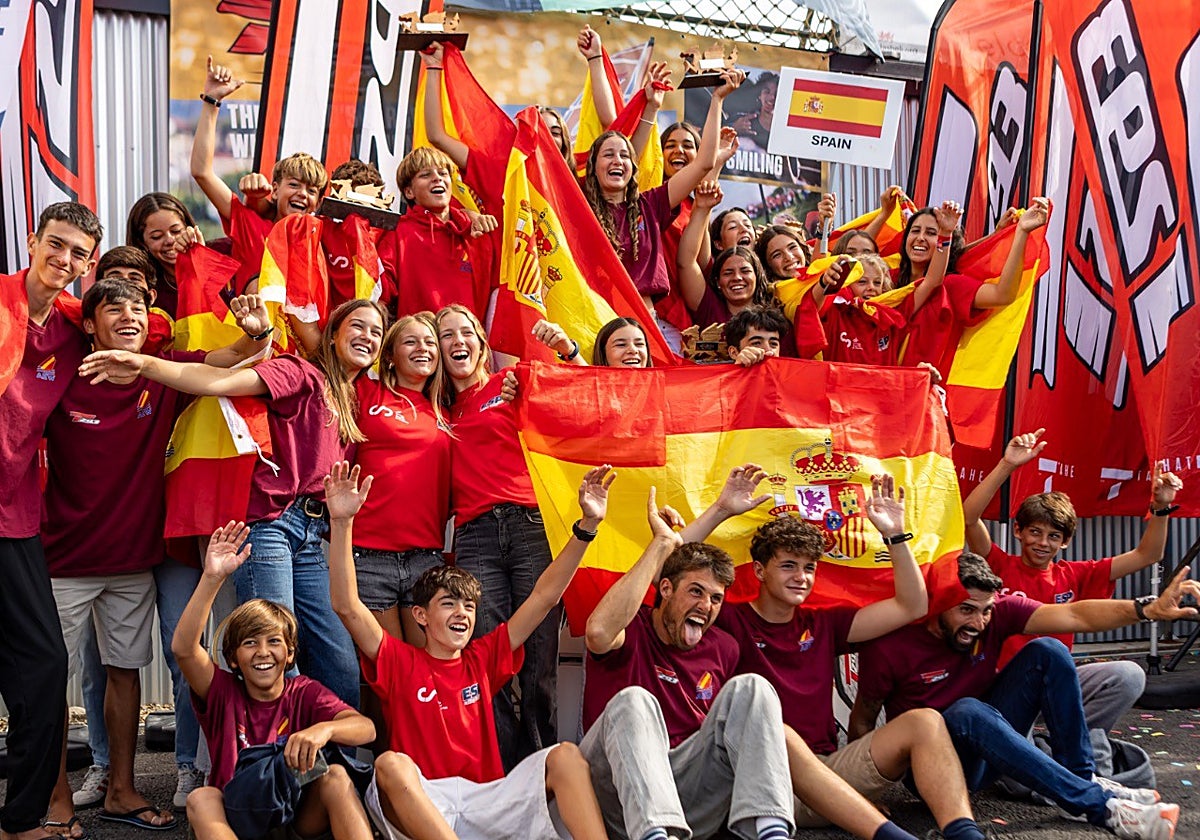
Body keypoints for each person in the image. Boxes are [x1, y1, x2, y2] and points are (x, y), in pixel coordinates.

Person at [78, 298, 391, 709]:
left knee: (338, 659)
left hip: (314, 536)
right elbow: (217, 381)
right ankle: (282, 763)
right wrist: (146, 365)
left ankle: (339, 762)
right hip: (271, 527)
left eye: (376, 332)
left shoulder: (351, 399)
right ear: (333, 335)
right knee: (275, 654)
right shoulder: (299, 371)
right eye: (357, 326)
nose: (366, 337)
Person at [42, 278, 271, 832]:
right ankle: (54, 801)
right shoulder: (60, 376)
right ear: (89, 324)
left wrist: (253, 330)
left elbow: (229, 358)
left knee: (125, 673)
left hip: (130, 561)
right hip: (61, 561)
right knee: (45, 681)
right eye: (113, 307)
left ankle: (122, 789)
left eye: (139, 307)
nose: (129, 315)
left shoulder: (162, 370)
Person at [581, 486, 924, 840]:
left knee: (754, 686)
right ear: (664, 590)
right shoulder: (634, 628)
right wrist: (666, 543)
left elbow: (912, 608)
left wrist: (895, 535)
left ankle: (772, 833)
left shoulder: (724, 644)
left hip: (693, 792)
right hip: (619, 796)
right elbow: (600, 630)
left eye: (715, 597)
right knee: (633, 700)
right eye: (696, 592)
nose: (706, 605)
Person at [325, 461, 613, 840]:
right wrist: (343, 523)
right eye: (448, 604)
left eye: (469, 607)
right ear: (420, 616)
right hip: (424, 801)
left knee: (565, 756)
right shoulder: (398, 659)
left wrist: (586, 527)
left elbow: (544, 596)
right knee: (390, 764)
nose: (462, 613)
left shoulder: (483, 657)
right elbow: (347, 605)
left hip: (487, 801)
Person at [694, 473, 989, 840]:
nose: (801, 577)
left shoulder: (824, 623)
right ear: (759, 571)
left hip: (829, 773)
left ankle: (965, 834)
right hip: (765, 782)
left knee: (925, 722)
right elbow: (666, 577)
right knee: (779, 732)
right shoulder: (729, 618)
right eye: (788, 565)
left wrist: (894, 535)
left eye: (809, 568)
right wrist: (721, 510)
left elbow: (912, 606)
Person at [850, 552, 1195, 839]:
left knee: (1048, 651)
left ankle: (1080, 778)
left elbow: (1074, 614)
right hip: (935, 770)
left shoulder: (996, 614)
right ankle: (1099, 806)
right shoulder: (890, 645)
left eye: (985, 610)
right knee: (965, 711)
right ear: (939, 603)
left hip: (987, 740)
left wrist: (1144, 609)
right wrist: (861, 794)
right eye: (966, 610)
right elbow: (863, 717)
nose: (979, 622)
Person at [962, 429, 1183, 730]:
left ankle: (1066, 743)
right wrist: (1008, 465)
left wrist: (1160, 509)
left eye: (1053, 536)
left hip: (1057, 686)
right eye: (1035, 532)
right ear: (1018, 531)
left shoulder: (1076, 573)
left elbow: (1148, 554)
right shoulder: (998, 564)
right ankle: (1044, 753)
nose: (1042, 543)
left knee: (1129, 675)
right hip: (1006, 690)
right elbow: (969, 518)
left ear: (1064, 542)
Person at [173, 521, 376, 840]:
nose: (263, 653)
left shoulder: (304, 691)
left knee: (335, 776)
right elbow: (184, 649)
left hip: (295, 819)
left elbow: (366, 728)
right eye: (250, 643)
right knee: (201, 798)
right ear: (233, 657)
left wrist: (324, 729)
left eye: (274, 642)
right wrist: (212, 578)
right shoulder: (222, 692)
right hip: (238, 819)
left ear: (291, 653)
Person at [0, 202, 99, 840]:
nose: (63, 261)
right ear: (33, 240)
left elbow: (149, 333)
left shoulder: (70, 327)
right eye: (55, 245)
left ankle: (19, 818)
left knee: (41, 663)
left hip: (15, 518)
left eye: (77, 255)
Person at [431, 304, 561, 768]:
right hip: (474, 536)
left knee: (539, 661)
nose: (456, 341)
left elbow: (578, 392)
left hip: (529, 527)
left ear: (482, 344)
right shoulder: (438, 408)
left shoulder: (513, 381)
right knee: (489, 660)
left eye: (465, 331)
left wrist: (564, 346)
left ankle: (544, 772)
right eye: (445, 336)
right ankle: (503, 773)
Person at [579, 68, 743, 315]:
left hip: (643, 325)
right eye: (608, 155)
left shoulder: (650, 204)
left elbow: (703, 164)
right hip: (592, 317)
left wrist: (717, 100)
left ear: (632, 167)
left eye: (624, 155)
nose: (617, 160)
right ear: (593, 166)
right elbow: (607, 117)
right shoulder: (579, 205)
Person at [190, 56, 329, 293]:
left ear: (318, 203)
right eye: (294, 185)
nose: (303, 194)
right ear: (274, 190)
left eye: (312, 190)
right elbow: (202, 172)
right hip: (255, 329)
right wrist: (212, 101)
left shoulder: (322, 236)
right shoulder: (250, 225)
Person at [352, 312, 450, 644]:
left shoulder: (444, 412)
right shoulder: (364, 391)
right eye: (411, 341)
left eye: (430, 342)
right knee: (383, 676)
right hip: (368, 555)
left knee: (425, 669)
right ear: (390, 356)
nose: (423, 348)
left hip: (427, 557)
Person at [890, 197, 1049, 373]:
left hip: (924, 393)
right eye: (915, 231)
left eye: (931, 233)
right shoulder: (887, 279)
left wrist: (1021, 233)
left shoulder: (950, 285)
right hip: (878, 390)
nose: (920, 238)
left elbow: (1003, 294)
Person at [377, 147, 497, 322]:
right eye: (425, 175)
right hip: (422, 345)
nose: (437, 178)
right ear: (409, 192)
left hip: (467, 345)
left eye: (443, 173)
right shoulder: (398, 233)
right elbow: (380, 293)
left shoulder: (477, 232)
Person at [124, 192, 201, 319]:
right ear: (142, 243)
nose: (170, 240)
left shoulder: (222, 253)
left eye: (176, 231)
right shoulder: (147, 289)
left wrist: (201, 260)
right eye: (157, 236)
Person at [821, 253, 905, 366]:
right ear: (848, 284)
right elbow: (813, 304)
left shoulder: (890, 317)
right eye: (862, 282)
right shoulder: (835, 310)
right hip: (838, 382)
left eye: (877, 282)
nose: (871, 287)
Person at [527, 316, 652, 369]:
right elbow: (590, 382)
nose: (633, 350)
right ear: (603, 354)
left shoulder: (665, 390)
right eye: (621, 344)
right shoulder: (588, 395)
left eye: (639, 344)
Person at [723, 305, 789, 367]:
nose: (768, 351)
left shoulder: (792, 377)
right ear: (734, 352)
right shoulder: (719, 379)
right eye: (756, 343)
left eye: (773, 344)